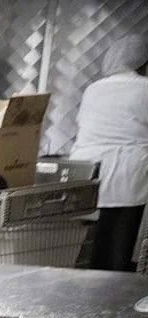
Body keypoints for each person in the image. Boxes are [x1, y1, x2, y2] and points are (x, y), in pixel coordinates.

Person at [70, 35, 148, 271]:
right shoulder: (144, 87)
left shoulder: (93, 89)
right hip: (129, 173)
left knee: (94, 243)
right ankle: (114, 295)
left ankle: (92, 290)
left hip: (87, 173)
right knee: (121, 245)